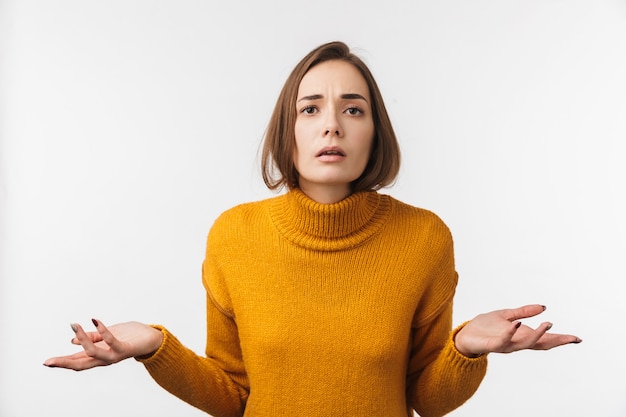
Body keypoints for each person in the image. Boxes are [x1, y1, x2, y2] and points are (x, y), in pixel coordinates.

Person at [44, 41, 581, 417]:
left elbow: (428, 400)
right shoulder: (235, 235)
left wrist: (465, 348)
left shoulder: (423, 238)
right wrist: (152, 345)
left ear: (375, 132)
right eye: (310, 109)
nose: (332, 124)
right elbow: (234, 397)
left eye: (354, 109)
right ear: (289, 129)